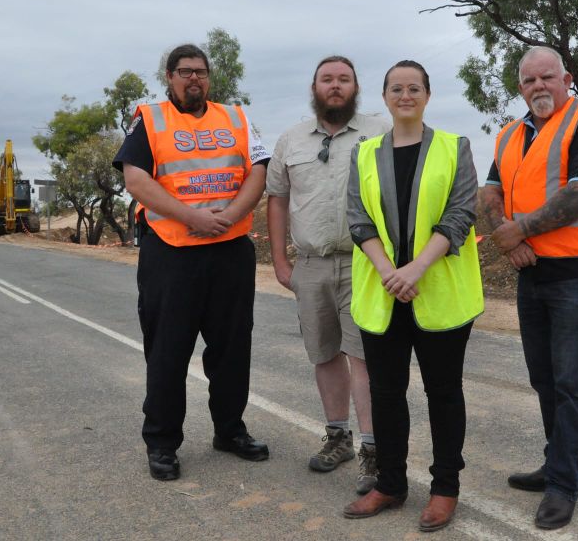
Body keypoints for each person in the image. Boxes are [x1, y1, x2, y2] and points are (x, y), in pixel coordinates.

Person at [112, 43, 271, 481]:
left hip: (229, 250)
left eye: (200, 72)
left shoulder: (236, 118)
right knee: (167, 351)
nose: (194, 79)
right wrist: (191, 216)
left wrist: (231, 215)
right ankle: (162, 443)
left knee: (233, 348)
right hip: (172, 253)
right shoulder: (151, 119)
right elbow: (135, 177)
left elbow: (258, 169)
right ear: (169, 77)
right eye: (185, 72)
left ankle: (229, 430)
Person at [482, 46, 578, 530]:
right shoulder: (510, 134)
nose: (538, 86)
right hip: (532, 273)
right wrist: (507, 237)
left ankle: (565, 484)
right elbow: (490, 191)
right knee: (544, 379)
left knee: (571, 383)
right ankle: (558, 464)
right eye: (528, 81)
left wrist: (519, 231)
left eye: (547, 77)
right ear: (519, 87)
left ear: (566, 79)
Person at [342, 60, 483, 533]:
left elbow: (461, 213)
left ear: (428, 95)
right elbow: (358, 219)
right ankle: (391, 484)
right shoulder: (363, 154)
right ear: (383, 97)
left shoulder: (454, 148)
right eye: (396, 88)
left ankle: (445, 488)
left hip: (438, 293)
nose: (405, 95)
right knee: (386, 394)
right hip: (383, 295)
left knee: (444, 394)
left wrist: (416, 269)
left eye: (414, 88)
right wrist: (389, 273)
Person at [266, 55, 388, 494]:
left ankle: (374, 450)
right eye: (327, 79)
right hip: (311, 265)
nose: (335, 86)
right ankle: (338, 436)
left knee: (363, 357)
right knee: (324, 354)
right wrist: (281, 262)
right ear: (314, 87)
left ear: (356, 86)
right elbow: (277, 198)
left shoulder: (379, 130)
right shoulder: (291, 140)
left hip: (364, 264)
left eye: (344, 79)